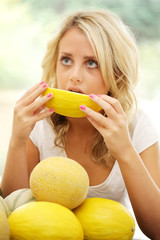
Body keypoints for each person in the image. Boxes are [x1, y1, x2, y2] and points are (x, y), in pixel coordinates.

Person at [1, 9, 160, 239]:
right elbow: (15, 215)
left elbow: (156, 230)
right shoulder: (39, 121)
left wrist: (124, 150)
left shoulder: (137, 125)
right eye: (66, 60)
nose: (74, 75)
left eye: (92, 63)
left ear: (116, 74)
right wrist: (17, 140)